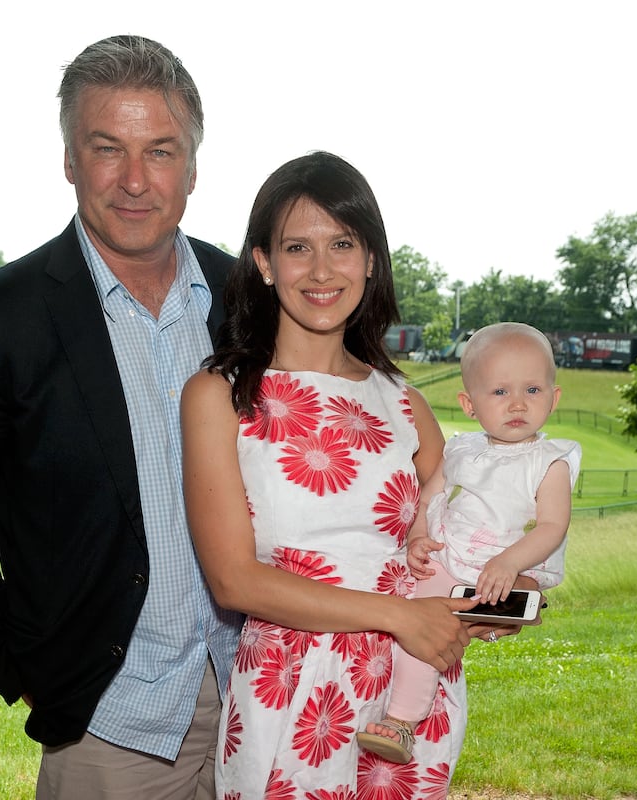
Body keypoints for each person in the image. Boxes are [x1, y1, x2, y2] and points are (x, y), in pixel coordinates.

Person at [0, 35, 241, 800]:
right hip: (113, 724)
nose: (134, 180)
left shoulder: (246, 297)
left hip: (263, 702)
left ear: (192, 166)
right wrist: (21, 663)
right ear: (68, 159)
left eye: (160, 151)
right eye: (106, 147)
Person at [181, 151, 498, 798]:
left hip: (405, 700)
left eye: (343, 244)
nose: (322, 270)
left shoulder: (402, 402)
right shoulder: (219, 397)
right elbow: (233, 579)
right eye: (298, 247)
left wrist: (500, 593)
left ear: (371, 259)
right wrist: (399, 615)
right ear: (265, 264)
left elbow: (455, 535)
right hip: (290, 693)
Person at [358, 322, 582, 763]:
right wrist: (419, 535)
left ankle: (403, 720)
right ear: (470, 404)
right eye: (499, 392)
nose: (517, 403)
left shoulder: (550, 462)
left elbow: (551, 527)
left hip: (503, 562)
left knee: (430, 627)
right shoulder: (459, 449)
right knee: (418, 611)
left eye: (533, 390)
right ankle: (389, 702)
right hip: (451, 551)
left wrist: (507, 563)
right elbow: (431, 495)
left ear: (554, 398)